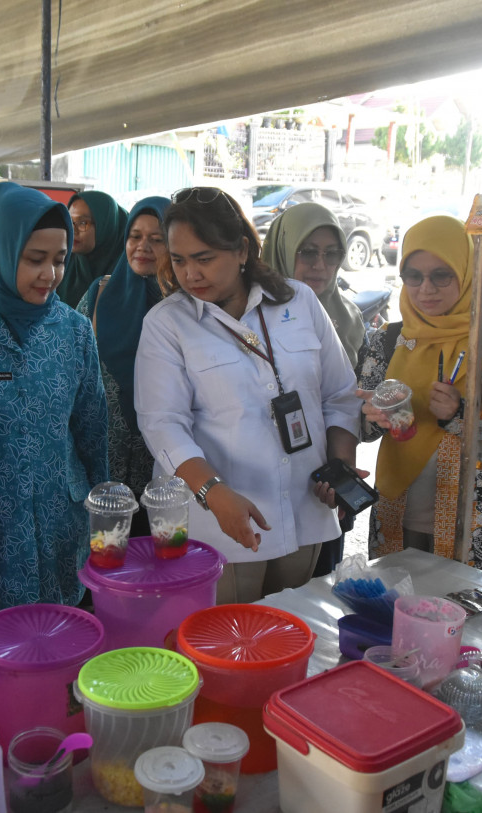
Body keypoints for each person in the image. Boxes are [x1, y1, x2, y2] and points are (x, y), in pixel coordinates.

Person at [135, 187, 362, 604]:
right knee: (226, 647)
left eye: (204, 258)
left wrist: (341, 465)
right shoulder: (168, 325)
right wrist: (213, 493)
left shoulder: (299, 302)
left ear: (241, 250)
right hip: (218, 521)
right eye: (180, 260)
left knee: (291, 633)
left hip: (303, 509)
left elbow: (340, 395)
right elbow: (162, 423)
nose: (190, 275)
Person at [0, 182, 108, 619]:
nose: (49, 275)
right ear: (0, 249)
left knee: (60, 635)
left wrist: (99, 508)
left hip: (61, 516)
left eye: (59, 260)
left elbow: (92, 425)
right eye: (34, 259)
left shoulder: (72, 330)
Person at [356, 215, 482, 577]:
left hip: (472, 519)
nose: (426, 289)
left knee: (465, 621)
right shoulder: (387, 341)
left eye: (441, 275)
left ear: (466, 272)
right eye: (413, 276)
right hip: (396, 515)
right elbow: (364, 427)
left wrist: (462, 414)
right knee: (393, 617)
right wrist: (371, 416)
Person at [262, 202, 366, 577]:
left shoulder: (350, 317)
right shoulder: (248, 313)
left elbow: (351, 402)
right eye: (307, 252)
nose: (320, 265)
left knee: (314, 588)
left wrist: (343, 463)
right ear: (282, 250)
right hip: (266, 484)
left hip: (330, 484)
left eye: (331, 253)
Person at [77, 195, 169, 530]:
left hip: (162, 466)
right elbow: (76, 372)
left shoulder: (184, 306)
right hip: (105, 461)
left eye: (157, 239)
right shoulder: (99, 294)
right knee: (106, 557)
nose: (143, 246)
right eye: (135, 236)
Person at [56, 190, 128, 308]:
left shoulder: (126, 271)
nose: (73, 230)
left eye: (82, 222)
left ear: (105, 226)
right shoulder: (63, 264)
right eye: (70, 221)